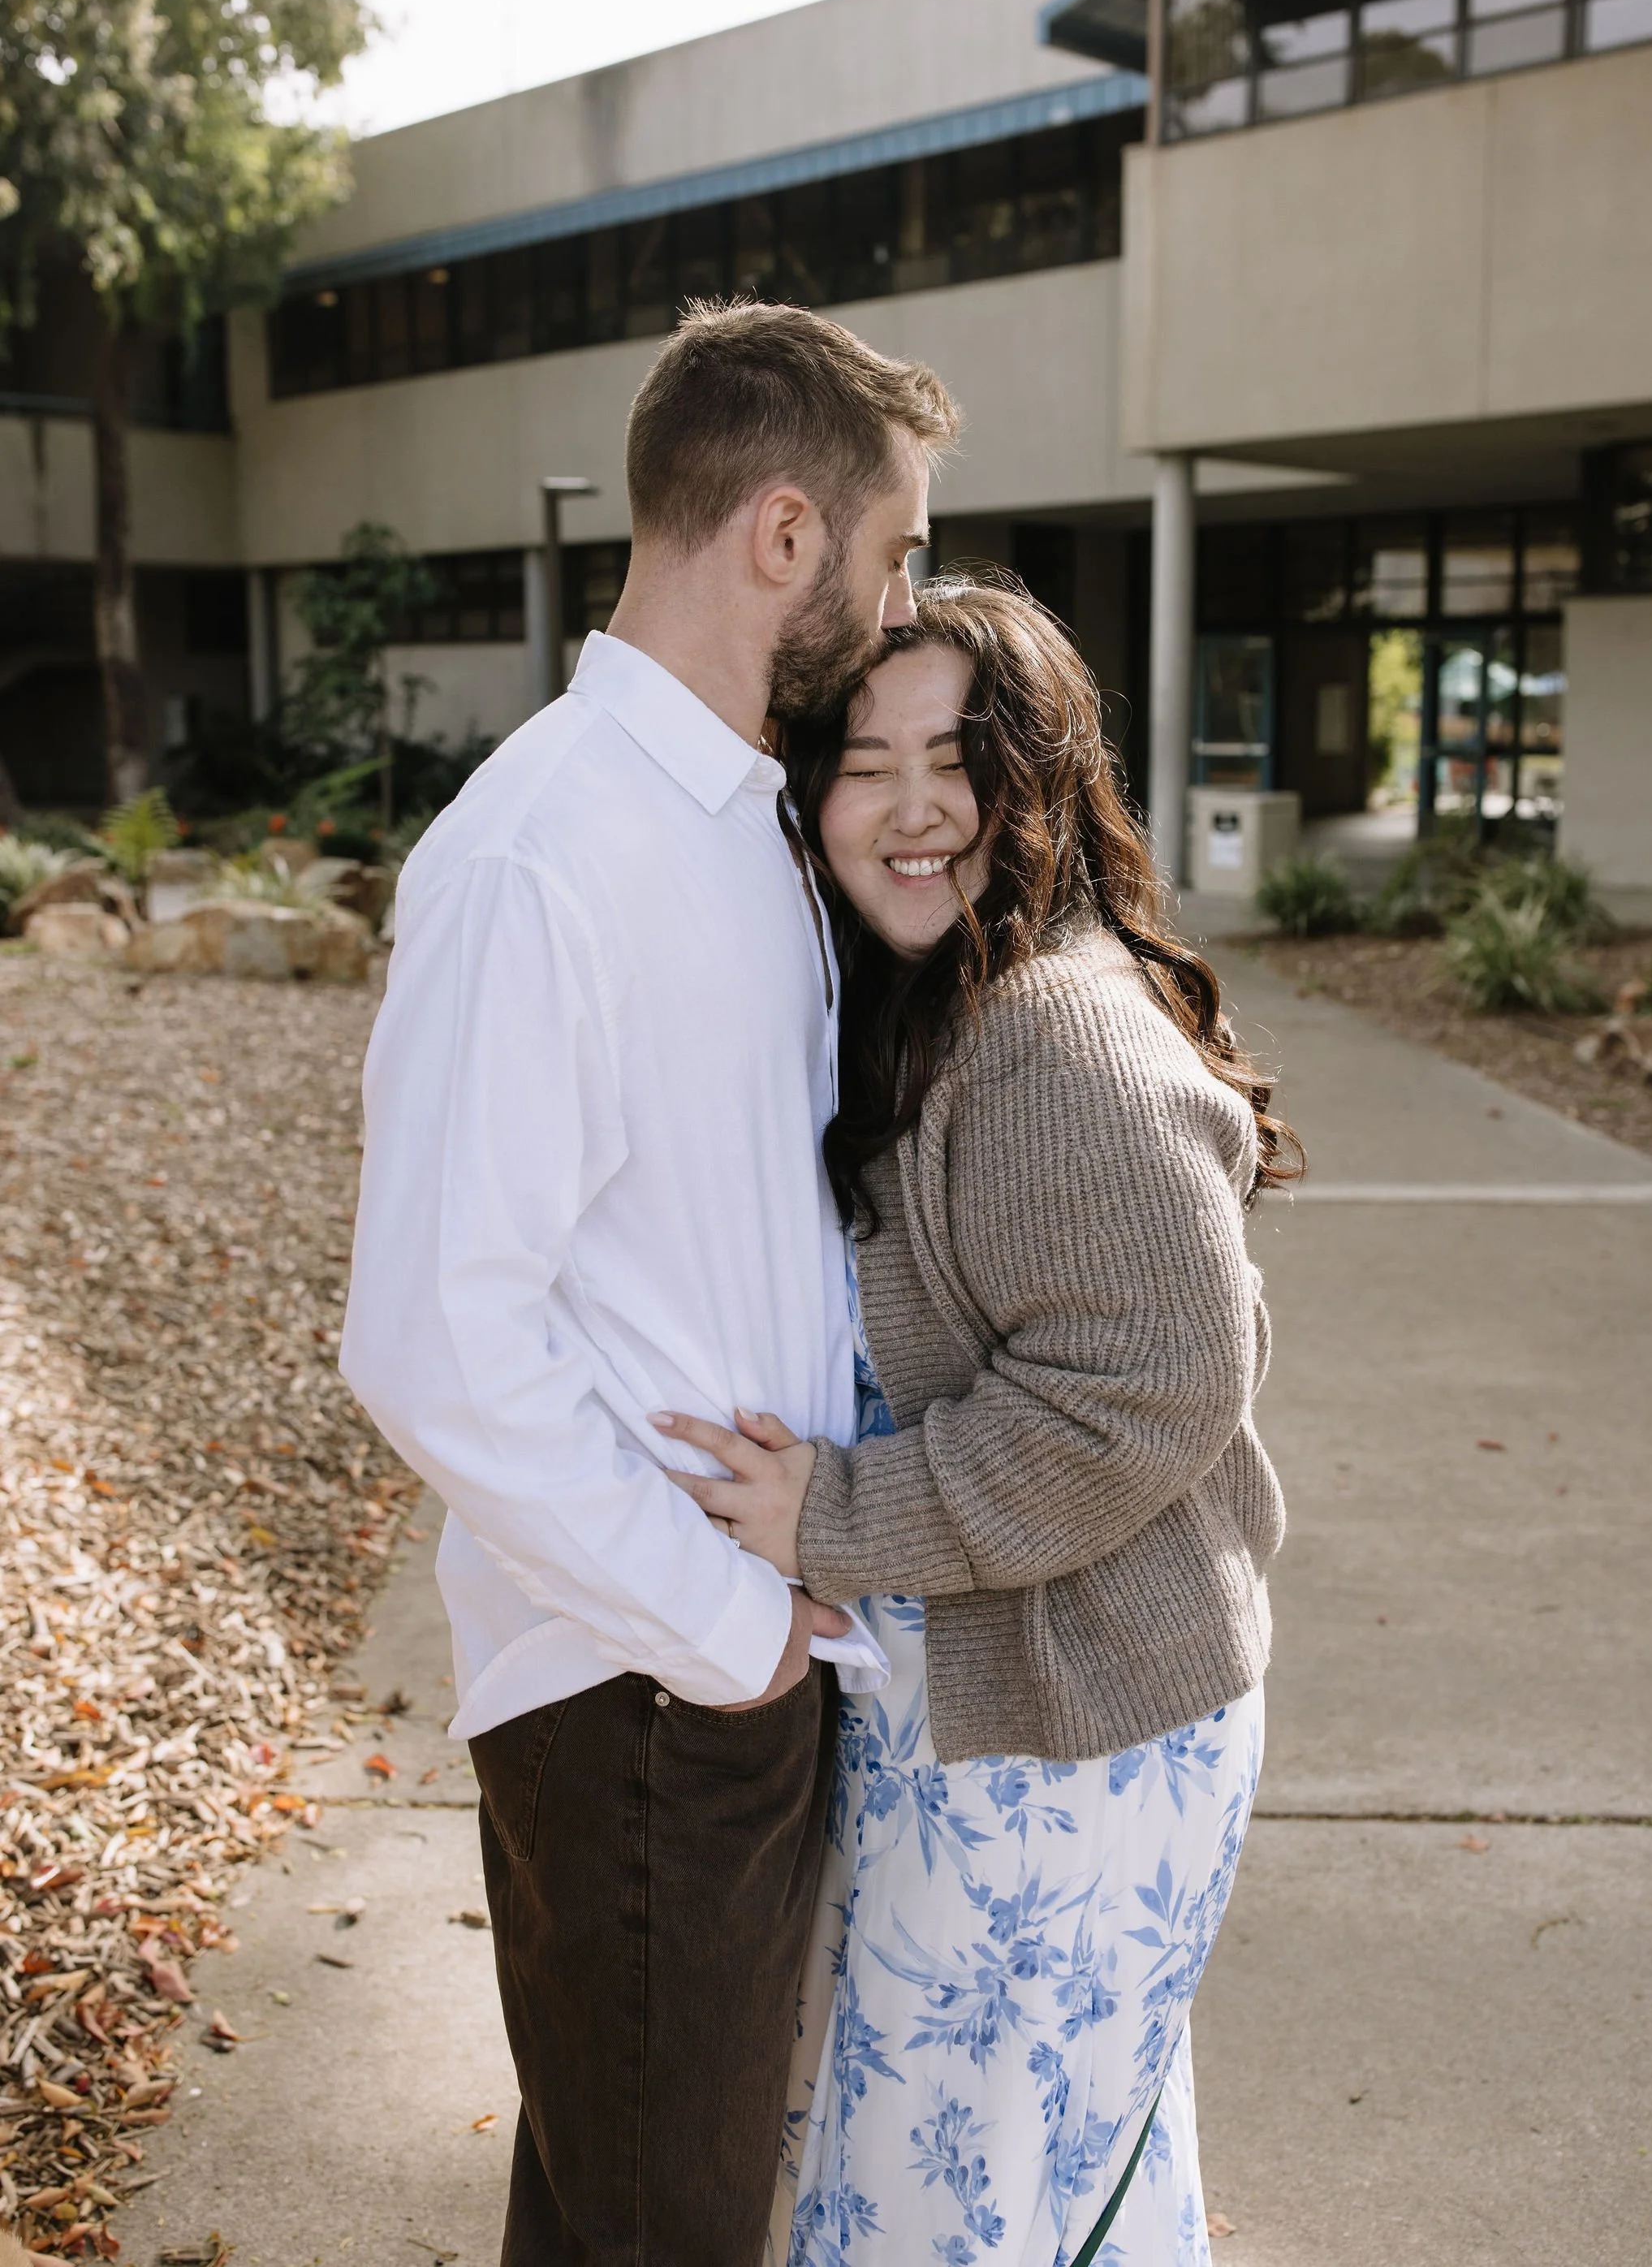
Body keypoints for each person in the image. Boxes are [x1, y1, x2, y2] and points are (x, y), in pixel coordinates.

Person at [339, 300, 962, 2267]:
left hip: (728, 1660)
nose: (899, 593)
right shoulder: (539, 850)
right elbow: (434, 1335)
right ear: (783, 534)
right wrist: (722, 1625)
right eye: (893, 549)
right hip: (637, 1680)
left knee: (627, 2207)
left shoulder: (734, 824)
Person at [655, 577, 1299, 2266]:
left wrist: (834, 1516)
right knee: (1047, 2170)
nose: (915, 805)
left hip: (1077, 1739)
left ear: (1045, 778)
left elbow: (1146, 1385)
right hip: (1017, 1723)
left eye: (960, 756)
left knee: (945, 2200)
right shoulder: (935, 1007)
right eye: (864, 764)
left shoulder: (1051, 1038)